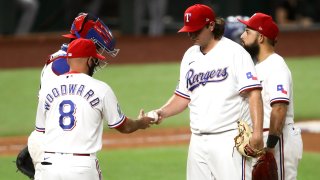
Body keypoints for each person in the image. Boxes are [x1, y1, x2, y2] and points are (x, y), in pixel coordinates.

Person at [152, 4, 264, 180]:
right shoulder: (190, 55)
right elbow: (183, 96)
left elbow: (254, 93)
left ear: (211, 26)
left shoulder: (235, 53)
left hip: (228, 140)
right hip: (197, 143)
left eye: (196, 30)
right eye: (188, 31)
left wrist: (257, 133)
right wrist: (162, 112)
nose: (191, 35)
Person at [35, 38, 154, 179]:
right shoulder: (101, 88)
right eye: (95, 60)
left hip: (48, 166)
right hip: (81, 166)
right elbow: (124, 127)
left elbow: (40, 131)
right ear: (90, 60)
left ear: (68, 60)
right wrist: (141, 122)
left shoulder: (47, 90)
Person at [27, 12, 120, 179]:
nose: (98, 52)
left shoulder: (63, 59)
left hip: (51, 142)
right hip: (58, 147)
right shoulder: (64, 66)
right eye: (96, 46)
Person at [239, 12, 303, 180]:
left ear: (260, 37)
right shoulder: (259, 66)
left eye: (247, 31)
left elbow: (279, 108)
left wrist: (270, 147)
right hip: (266, 139)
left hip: (278, 140)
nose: (241, 36)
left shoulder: (276, 66)